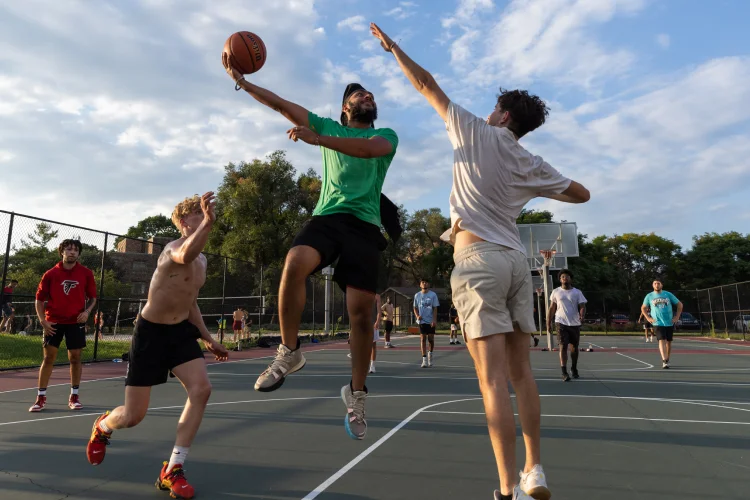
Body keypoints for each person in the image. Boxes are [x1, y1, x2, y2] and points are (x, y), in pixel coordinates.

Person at [369, 23, 590, 500]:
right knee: (521, 374)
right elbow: (582, 193)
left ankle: (506, 487)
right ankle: (535, 470)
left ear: (501, 113)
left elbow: (426, 85)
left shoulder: (474, 129)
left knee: (490, 381)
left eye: (495, 107)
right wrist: (546, 184)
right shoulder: (531, 162)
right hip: (516, 262)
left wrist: (394, 48)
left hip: (477, 260)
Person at [223, 57, 398, 441]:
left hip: (365, 226)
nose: (366, 95)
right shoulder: (327, 124)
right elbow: (281, 104)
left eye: (369, 93)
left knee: (360, 315)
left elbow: (368, 151)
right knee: (294, 263)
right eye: (358, 94)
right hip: (329, 217)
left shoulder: (384, 135)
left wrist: (318, 139)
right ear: (344, 108)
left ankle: (357, 395)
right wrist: (243, 82)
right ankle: (289, 351)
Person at [86, 193, 228, 499]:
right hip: (150, 333)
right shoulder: (173, 249)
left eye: (204, 215)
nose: (202, 218)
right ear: (180, 222)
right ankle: (103, 425)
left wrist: (208, 338)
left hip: (180, 333)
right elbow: (186, 254)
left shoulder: (202, 260)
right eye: (196, 214)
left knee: (202, 389)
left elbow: (190, 302)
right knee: (133, 416)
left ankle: (173, 469)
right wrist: (209, 223)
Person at [29, 241, 97, 412]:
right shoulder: (50, 274)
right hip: (54, 322)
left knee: (75, 357)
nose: (72, 252)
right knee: (48, 358)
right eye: (69, 249)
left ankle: (74, 396)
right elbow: (39, 300)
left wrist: (87, 312)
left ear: (79, 254)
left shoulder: (86, 273)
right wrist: (43, 320)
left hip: (75, 322)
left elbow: (93, 297)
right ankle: (40, 398)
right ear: (62, 252)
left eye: (75, 250)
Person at [546, 270, 587, 382]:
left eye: (567, 276)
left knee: (574, 348)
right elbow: (552, 308)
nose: (565, 278)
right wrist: (548, 322)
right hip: (560, 322)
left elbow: (582, 306)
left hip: (574, 323)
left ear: (570, 279)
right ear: (560, 279)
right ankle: (564, 372)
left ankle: (574, 368)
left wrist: (582, 315)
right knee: (563, 346)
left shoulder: (577, 292)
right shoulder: (556, 292)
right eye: (563, 277)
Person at [642, 280, 682, 369]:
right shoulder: (649, 296)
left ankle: (667, 359)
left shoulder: (668, 294)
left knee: (668, 342)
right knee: (661, 340)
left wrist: (676, 317)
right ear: (652, 285)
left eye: (658, 283)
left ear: (662, 285)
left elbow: (680, 305)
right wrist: (648, 318)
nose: (657, 285)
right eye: (655, 283)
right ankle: (664, 360)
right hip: (657, 322)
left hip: (669, 322)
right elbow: (643, 308)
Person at [413, 279, 439, 367]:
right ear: (420, 284)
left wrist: (434, 320)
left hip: (430, 320)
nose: (424, 284)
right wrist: (417, 316)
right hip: (422, 321)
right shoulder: (417, 295)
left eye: (426, 282)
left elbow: (435, 308)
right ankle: (424, 359)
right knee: (423, 339)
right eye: (423, 282)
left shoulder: (433, 295)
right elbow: (415, 307)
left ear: (429, 284)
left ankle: (430, 355)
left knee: (431, 339)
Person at [370, 294, 381, 373]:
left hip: (373, 324)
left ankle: (372, 366)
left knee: (373, 345)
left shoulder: (376, 296)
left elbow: (379, 311)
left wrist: (377, 321)